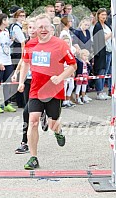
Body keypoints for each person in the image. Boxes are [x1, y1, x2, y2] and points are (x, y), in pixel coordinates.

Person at [18, 14, 77, 170]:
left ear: (51, 28)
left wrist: (61, 77)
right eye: (40, 27)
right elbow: (25, 63)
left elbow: (73, 65)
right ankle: (33, 157)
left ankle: (58, 131)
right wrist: (21, 81)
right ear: (36, 29)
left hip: (54, 91)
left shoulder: (60, 44)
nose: (43, 30)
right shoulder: (30, 45)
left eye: (46, 27)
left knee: (52, 124)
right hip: (36, 90)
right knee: (33, 120)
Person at [12, 17, 48, 154]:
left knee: (28, 111)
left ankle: (45, 113)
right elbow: (23, 59)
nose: (32, 31)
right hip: (28, 81)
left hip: (41, 81)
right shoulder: (27, 43)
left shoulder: (44, 43)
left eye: (35, 28)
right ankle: (25, 142)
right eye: (30, 28)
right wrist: (17, 75)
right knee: (28, 112)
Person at [0, 13, 16, 113]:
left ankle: (7, 103)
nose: (8, 21)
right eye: (6, 19)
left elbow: (6, 46)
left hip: (8, 60)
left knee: (7, 83)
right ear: (2, 21)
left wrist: (11, 40)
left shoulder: (7, 31)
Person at [93, 8, 111, 100]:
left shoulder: (107, 25)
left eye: (105, 15)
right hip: (101, 52)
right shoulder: (97, 26)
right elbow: (100, 39)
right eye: (102, 15)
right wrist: (111, 34)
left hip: (109, 50)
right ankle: (99, 91)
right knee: (100, 71)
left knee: (105, 72)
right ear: (98, 15)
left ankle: (103, 91)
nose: (104, 16)